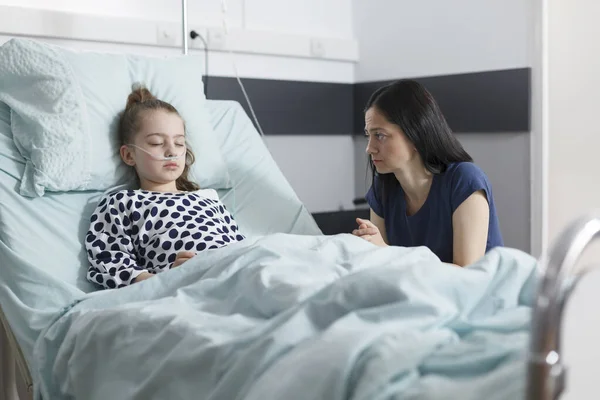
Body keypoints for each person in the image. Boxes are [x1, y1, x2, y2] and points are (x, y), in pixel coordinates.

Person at [85, 84, 244, 289]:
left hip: (238, 271)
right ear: (128, 155)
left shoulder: (208, 199)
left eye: (179, 143)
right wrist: (171, 278)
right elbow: (111, 262)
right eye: (156, 143)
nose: (171, 151)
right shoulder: (121, 203)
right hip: (193, 284)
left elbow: (242, 246)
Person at [352, 80, 503, 267]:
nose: (369, 148)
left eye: (380, 135)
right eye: (369, 135)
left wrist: (386, 253)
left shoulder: (464, 180)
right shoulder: (382, 188)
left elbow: (466, 275)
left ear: (415, 134)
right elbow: (385, 269)